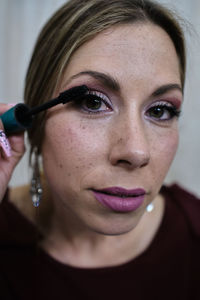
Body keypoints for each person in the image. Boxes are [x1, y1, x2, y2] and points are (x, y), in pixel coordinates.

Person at [0, 0, 199, 299]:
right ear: (34, 119)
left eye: (160, 111)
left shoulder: (193, 235)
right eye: (93, 102)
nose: (136, 152)